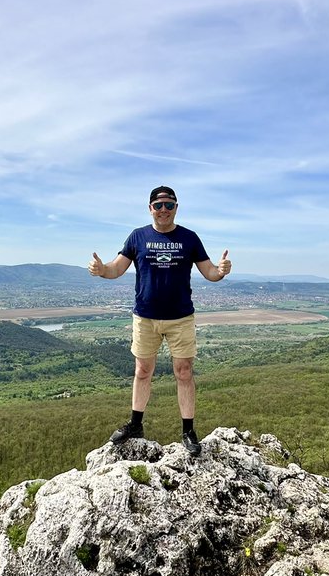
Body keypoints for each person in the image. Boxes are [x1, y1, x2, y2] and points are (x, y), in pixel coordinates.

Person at [88, 185, 232, 457]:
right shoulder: (137, 236)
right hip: (145, 317)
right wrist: (100, 270)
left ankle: (188, 431)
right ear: (150, 208)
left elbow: (210, 272)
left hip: (180, 318)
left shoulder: (189, 238)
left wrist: (221, 271)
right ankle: (135, 424)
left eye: (169, 205)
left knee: (184, 373)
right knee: (142, 371)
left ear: (176, 208)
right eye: (159, 205)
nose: (164, 210)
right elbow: (116, 268)